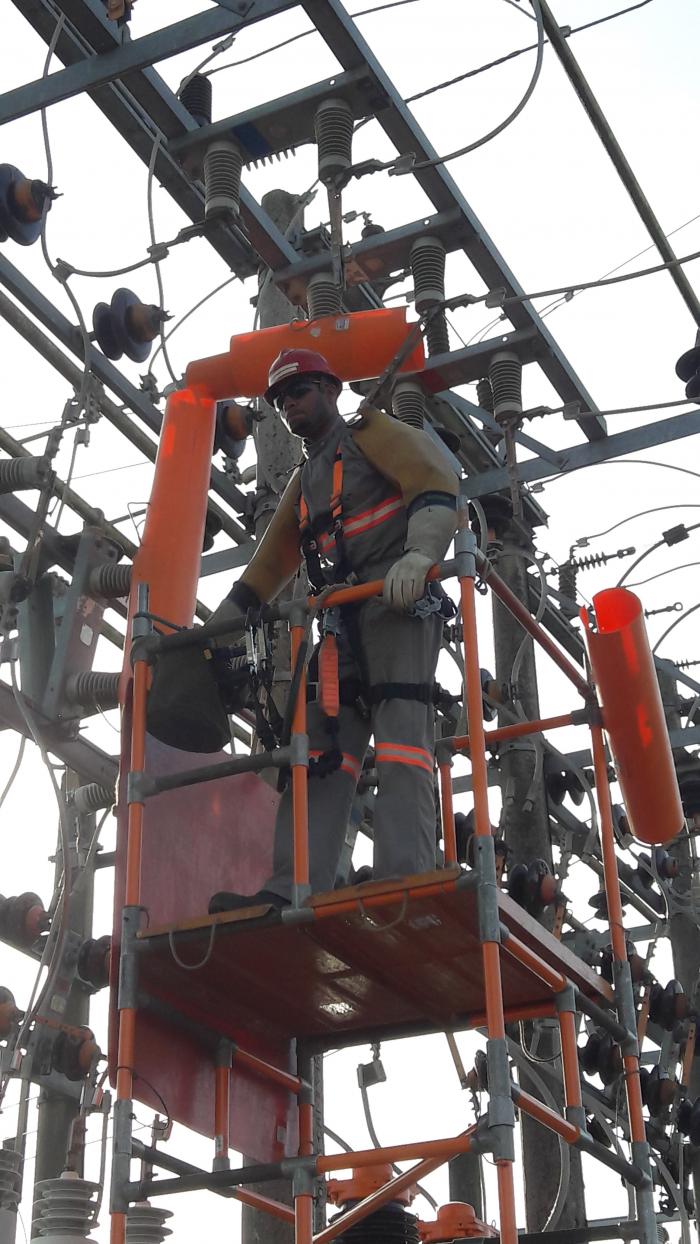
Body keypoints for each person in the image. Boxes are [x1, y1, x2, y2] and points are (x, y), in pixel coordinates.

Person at [208, 347, 459, 912]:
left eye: (298, 391)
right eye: (280, 399)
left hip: (396, 606)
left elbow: (436, 481)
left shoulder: (371, 435)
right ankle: (293, 885)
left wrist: (419, 556)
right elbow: (266, 570)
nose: (289, 404)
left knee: (401, 742)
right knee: (320, 753)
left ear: (331, 390)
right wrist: (208, 636)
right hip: (342, 623)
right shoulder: (307, 479)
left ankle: (404, 876)